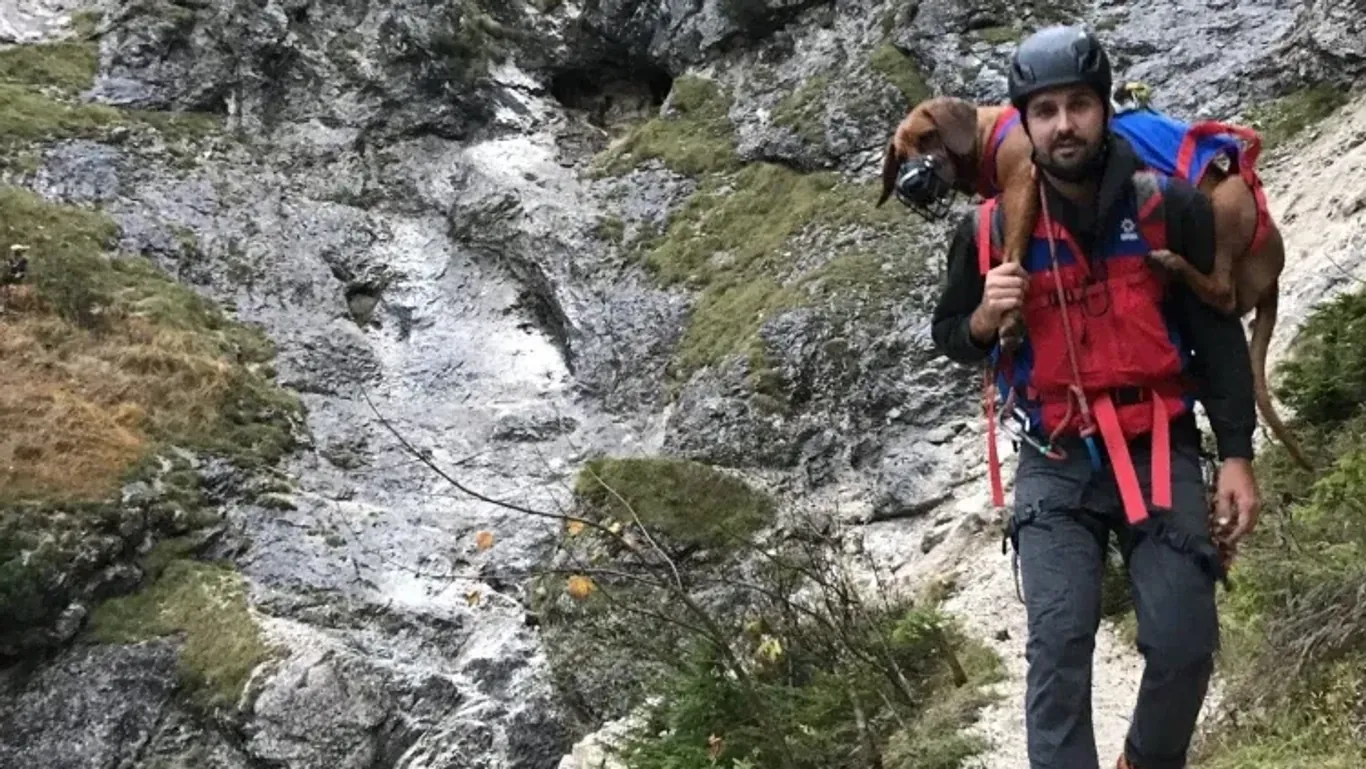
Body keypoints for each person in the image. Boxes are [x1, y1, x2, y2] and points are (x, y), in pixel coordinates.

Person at [924, 25, 1262, 769]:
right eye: (1045, 110)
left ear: (1105, 109)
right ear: (1023, 123)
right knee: (1060, 639)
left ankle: (1146, 758)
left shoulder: (1169, 207)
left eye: (1079, 104)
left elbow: (1219, 338)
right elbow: (950, 333)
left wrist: (1236, 454)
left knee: (1184, 640)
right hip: (1054, 454)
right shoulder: (984, 232)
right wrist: (985, 314)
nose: (1064, 123)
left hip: (1158, 439)